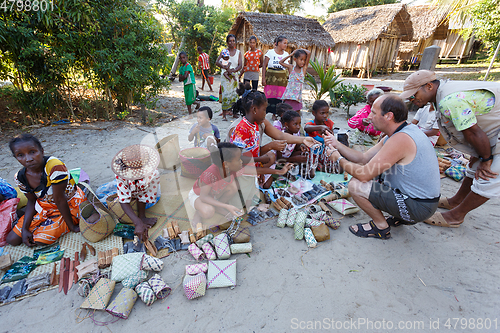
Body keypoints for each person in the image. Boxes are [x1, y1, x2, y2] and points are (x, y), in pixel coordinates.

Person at [324, 94, 440, 239]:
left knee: (356, 184)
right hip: (422, 201)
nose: (370, 116)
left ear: (389, 116)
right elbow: (364, 158)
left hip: (420, 207)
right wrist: (337, 145)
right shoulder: (401, 132)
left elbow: (364, 174)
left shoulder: (400, 140)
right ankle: (401, 215)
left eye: (374, 112)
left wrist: (338, 158)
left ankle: (381, 227)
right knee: (377, 175)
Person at [400, 69, 500, 227]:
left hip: (492, 132)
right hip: (492, 131)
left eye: (414, 94)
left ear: (429, 86)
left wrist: (486, 159)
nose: (412, 99)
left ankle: (456, 216)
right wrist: (479, 154)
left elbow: (473, 132)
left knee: (490, 176)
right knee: (473, 167)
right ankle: (456, 201)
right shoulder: (442, 94)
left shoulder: (449, 101)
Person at [6, 134, 86, 246]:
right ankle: (42, 222)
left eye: (32, 152)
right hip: (46, 206)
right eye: (20, 155)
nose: (28, 159)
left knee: (39, 240)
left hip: (69, 204)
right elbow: (32, 201)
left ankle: (68, 221)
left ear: (42, 151)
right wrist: (25, 229)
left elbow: (60, 199)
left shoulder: (54, 166)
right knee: (12, 240)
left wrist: (72, 226)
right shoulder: (20, 177)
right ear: (16, 157)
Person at [111, 144, 160, 242]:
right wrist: (137, 222)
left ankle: (141, 214)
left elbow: (145, 193)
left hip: (143, 188)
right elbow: (123, 200)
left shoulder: (153, 173)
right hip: (128, 186)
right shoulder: (122, 175)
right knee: (115, 197)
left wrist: (141, 217)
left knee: (153, 196)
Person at [189, 142, 243, 229]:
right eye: (238, 159)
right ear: (225, 164)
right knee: (208, 212)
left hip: (214, 193)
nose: (241, 162)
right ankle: (198, 212)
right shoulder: (210, 174)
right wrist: (226, 206)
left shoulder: (232, 169)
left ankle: (218, 207)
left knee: (235, 186)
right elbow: (204, 197)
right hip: (199, 196)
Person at [216, 34, 242, 121]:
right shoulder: (224, 51)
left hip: (234, 76)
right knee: (225, 95)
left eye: (233, 40)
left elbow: (240, 65)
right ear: (227, 42)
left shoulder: (238, 52)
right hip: (225, 77)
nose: (232, 42)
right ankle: (224, 114)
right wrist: (225, 67)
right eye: (230, 41)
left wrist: (234, 70)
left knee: (235, 95)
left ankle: (234, 113)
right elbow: (217, 62)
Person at [262, 36, 289, 119]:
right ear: (279, 43)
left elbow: (288, 67)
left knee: (279, 97)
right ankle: (264, 113)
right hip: (270, 79)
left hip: (282, 80)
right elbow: (264, 65)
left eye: (286, 43)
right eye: (284, 43)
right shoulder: (270, 53)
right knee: (268, 96)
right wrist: (263, 78)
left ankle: (275, 114)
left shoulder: (286, 54)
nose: (286, 45)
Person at [279, 49, 311, 113]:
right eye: (301, 59)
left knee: (297, 113)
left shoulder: (303, 69)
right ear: (295, 59)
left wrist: (299, 49)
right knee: (287, 112)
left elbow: (309, 53)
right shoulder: (291, 67)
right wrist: (291, 55)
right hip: (288, 96)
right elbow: (280, 62)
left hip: (297, 97)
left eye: (304, 60)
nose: (303, 62)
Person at [178, 51, 200, 116]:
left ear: (186, 58)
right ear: (179, 59)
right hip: (185, 85)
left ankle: (197, 103)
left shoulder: (188, 66)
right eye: (181, 58)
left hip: (191, 84)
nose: (182, 59)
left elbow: (184, 76)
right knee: (187, 100)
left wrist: (182, 77)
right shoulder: (181, 68)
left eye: (184, 58)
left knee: (191, 99)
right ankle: (190, 114)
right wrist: (183, 77)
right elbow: (180, 79)